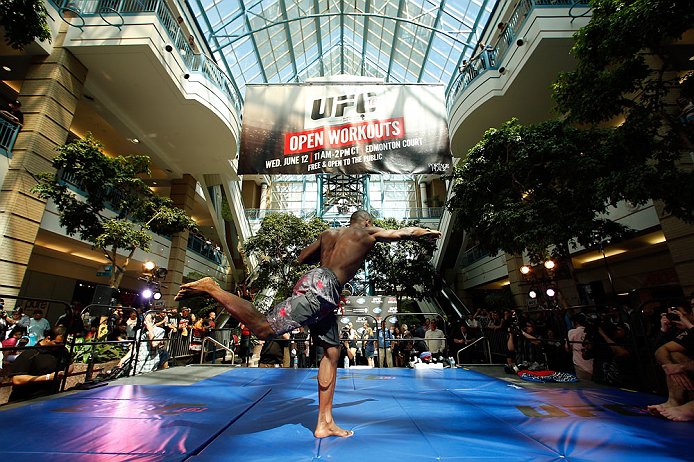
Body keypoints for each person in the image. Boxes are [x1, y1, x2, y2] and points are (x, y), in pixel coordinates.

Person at [175, 209, 441, 438]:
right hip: (323, 289)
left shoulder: (329, 233)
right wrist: (425, 232)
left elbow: (302, 257)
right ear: (367, 222)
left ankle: (324, 424)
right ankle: (213, 288)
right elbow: (401, 232)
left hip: (317, 285)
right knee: (264, 329)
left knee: (332, 351)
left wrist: (330, 255)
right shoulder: (367, 233)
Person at [8, 326, 73, 402]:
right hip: (27, 399)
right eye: (56, 343)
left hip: (50, 397)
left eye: (62, 343)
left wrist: (64, 373)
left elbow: (70, 364)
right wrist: (47, 377)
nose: (59, 346)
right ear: (48, 338)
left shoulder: (62, 351)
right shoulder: (30, 354)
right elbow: (17, 379)